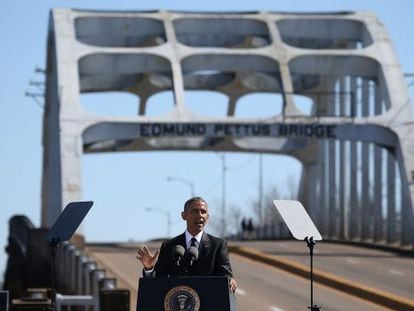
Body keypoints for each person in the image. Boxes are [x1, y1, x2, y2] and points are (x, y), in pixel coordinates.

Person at [137, 196, 237, 292]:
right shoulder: (169, 246)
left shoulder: (218, 245)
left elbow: (225, 276)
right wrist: (149, 268)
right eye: (195, 211)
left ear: (207, 217)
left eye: (203, 212)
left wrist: (230, 281)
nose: (200, 215)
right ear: (184, 215)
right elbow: (158, 281)